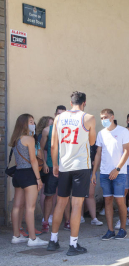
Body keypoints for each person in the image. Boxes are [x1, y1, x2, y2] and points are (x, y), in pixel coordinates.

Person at [47, 91, 96, 256]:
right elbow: (92, 142)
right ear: (84, 102)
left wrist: (55, 164)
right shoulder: (88, 117)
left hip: (64, 165)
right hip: (81, 165)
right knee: (76, 205)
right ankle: (73, 244)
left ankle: (53, 240)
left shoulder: (59, 118)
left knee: (60, 203)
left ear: (70, 102)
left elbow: (53, 146)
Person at [10, 114, 48, 246]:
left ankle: (16, 236)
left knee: (16, 206)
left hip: (18, 173)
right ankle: (33, 238)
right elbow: (33, 160)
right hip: (28, 174)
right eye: (30, 122)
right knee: (30, 208)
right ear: (24, 124)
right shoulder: (29, 139)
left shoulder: (15, 139)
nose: (33, 124)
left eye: (33, 121)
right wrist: (38, 178)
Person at [93, 109, 129, 240]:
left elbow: (127, 151)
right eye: (102, 117)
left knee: (120, 201)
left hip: (119, 173)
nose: (103, 120)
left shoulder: (123, 131)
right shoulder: (101, 133)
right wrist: (94, 172)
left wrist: (117, 169)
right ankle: (110, 230)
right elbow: (98, 153)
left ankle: (123, 229)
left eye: (106, 117)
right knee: (107, 200)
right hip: (104, 173)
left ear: (112, 117)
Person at [40, 106, 69, 233]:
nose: (60, 116)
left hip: (66, 167)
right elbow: (40, 149)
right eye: (58, 114)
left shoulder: (70, 130)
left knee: (66, 196)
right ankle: (45, 222)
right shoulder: (47, 130)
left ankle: (67, 222)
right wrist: (44, 163)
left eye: (63, 114)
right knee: (49, 196)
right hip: (52, 167)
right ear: (55, 115)